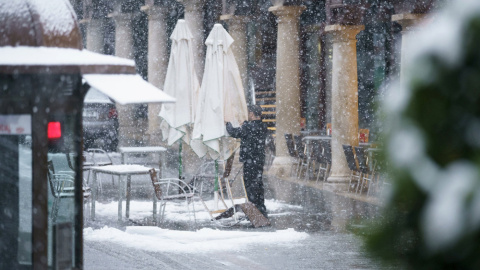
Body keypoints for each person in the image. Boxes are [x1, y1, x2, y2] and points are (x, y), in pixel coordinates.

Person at [226, 105, 268, 218]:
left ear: (251, 114)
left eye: (249, 113)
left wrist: (227, 123)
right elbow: (250, 131)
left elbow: (234, 132)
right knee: (258, 185)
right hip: (259, 160)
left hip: (250, 161)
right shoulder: (263, 126)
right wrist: (245, 124)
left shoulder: (248, 126)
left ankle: (255, 213)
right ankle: (261, 210)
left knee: (250, 186)